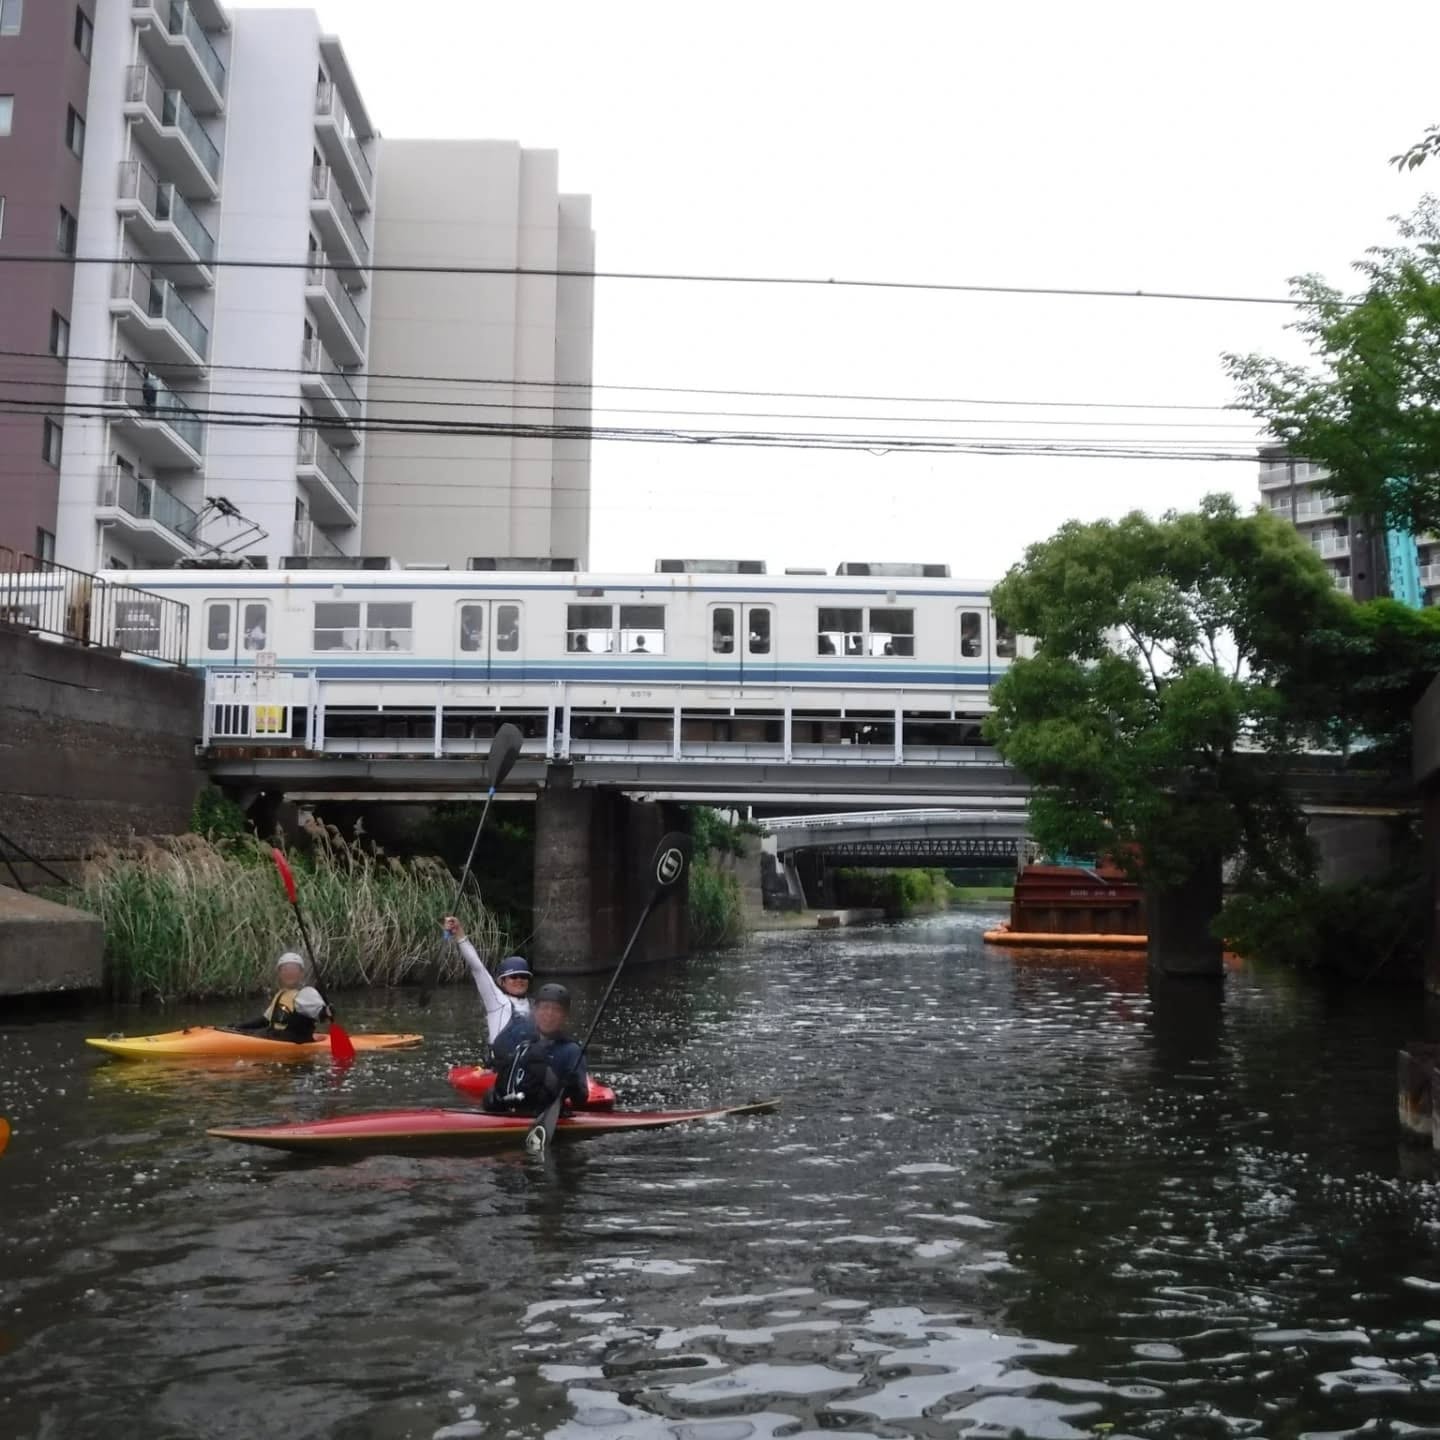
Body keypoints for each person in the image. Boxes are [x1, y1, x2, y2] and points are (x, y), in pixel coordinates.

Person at [484, 982, 588, 1116]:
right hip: (511, 1112)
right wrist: (493, 1096)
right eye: (544, 1008)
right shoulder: (522, 1043)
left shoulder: (571, 1050)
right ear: (536, 1011)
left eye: (556, 1010)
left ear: (565, 1016)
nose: (549, 1014)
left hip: (546, 1116)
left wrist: (571, 1086)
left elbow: (581, 1100)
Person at [442, 916, 531, 1046]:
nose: (519, 980)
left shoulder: (536, 1007)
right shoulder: (496, 1000)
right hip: (500, 1058)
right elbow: (478, 969)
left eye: (523, 976)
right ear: (502, 982)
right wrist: (459, 933)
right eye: (513, 977)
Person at [230, 953, 331, 1044]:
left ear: (301, 973)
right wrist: (238, 1027)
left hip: (295, 1042)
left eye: (294, 969)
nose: (289, 973)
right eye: (285, 969)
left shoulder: (307, 994)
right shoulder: (281, 994)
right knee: (245, 1031)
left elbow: (321, 1015)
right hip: (275, 1037)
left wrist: (326, 1012)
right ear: (279, 973)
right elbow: (265, 1021)